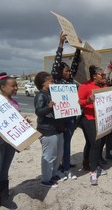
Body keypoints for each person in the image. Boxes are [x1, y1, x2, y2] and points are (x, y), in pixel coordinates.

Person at [51, 31, 81, 179]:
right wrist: (61, 44)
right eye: (66, 70)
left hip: (70, 117)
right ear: (60, 72)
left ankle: (66, 168)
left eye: (69, 71)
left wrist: (78, 49)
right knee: (58, 145)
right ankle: (57, 169)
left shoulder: (70, 81)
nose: (69, 72)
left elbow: (75, 64)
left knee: (67, 143)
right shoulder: (56, 80)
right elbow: (57, 62)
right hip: (59, 118)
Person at [34, 71, 67, 188]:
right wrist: (48, 107)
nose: (53, 82)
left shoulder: (53, 94)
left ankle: (53, 174)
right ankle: (45, 179)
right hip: (47, 130)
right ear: (43, 83)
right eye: (51, 81)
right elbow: (38, 112)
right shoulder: (40, 95)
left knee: (58, 154)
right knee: (49, 156)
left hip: (58, 129)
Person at [0, 73, 21, 209]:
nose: (15, 88)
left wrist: (24, 121)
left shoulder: (14, 102)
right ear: (3, 87)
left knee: (4, 170)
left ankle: (3, 198)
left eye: (16, 85)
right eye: (13, 86)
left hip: (11, 141)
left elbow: (16, 119)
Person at [77, 65, 108, 185]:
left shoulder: (105, 87)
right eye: (102, 74)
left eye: (104, 74)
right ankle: (93, 171)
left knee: (97, 143)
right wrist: (88, 101)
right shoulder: (85, 87)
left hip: (102, 118)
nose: (104, 76)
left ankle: (93, 163)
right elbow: (78, 103)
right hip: (89, 118)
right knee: (96, 143)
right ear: (94, 76)